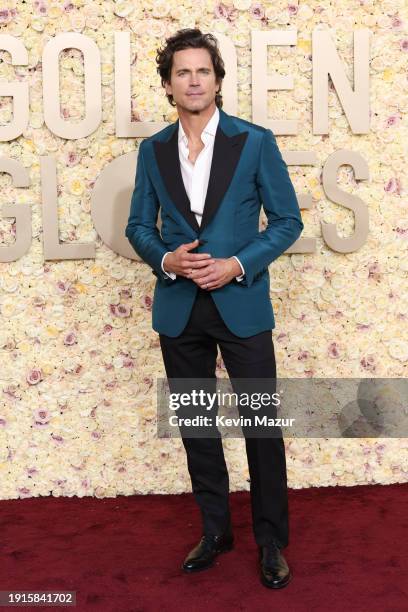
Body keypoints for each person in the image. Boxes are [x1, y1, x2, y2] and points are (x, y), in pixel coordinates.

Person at [125, 28, 304, 590]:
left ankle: (271, 541)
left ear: (218, 80)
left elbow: (287, 221)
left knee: (260, 425)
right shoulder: (152, 150)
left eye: (203, 70)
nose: (194, 80)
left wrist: (237, 264)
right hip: (180, 309)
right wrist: (166, 260)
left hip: (241, 302)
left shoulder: (254, 141)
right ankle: (215, 530)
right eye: (182, 72)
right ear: (168, 84)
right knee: (198, 426)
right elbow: (137, 226)